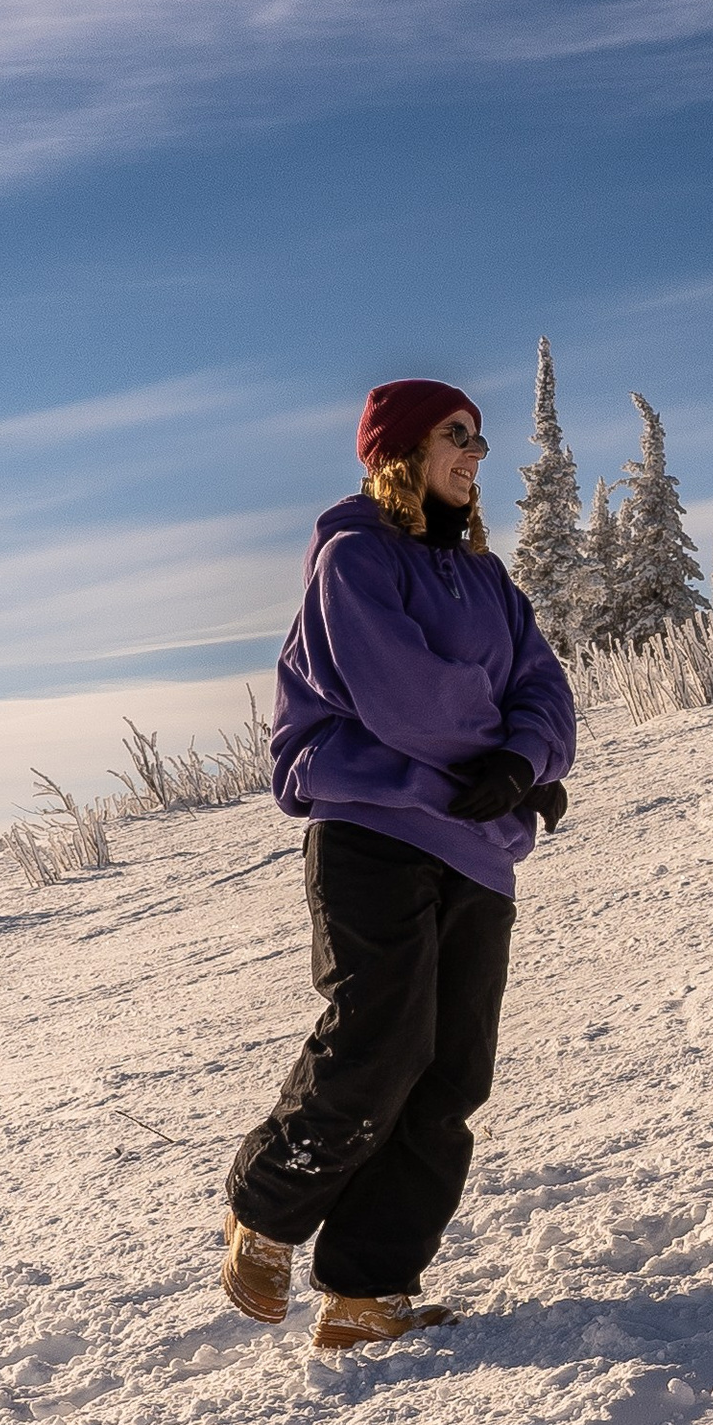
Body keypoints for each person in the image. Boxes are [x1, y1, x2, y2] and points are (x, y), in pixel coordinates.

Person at [223, 379, 577, 1354]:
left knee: (448, 1074)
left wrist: (525, 763)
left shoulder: (488, 581)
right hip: (373, 829)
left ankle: (366, 1291)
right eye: (457, 434)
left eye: (479, 437)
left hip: (478, 850)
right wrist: (503, 760)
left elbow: (544, 690)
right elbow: (408, 696)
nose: (477, 452)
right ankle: (266, 1211)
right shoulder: (355, 558)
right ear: (401, 452)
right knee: (381, 1035)